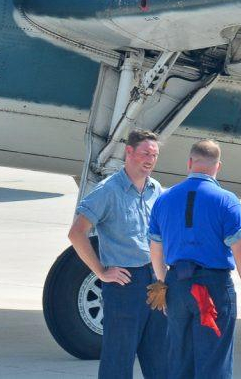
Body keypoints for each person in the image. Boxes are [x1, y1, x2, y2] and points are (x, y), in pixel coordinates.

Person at [146, 140, 241, 379]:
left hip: (176, 285)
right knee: (213, 363)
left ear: (189, 163)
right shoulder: (226, 200)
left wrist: (161, 285)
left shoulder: (163, 200)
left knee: (179, 360)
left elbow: (156, 249)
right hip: (213, 289)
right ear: (218, 166)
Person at [68, 130, 167, 379]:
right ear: (129, 152)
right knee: (118, 359)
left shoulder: (156, 190)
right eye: (145, 153)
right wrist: (101, 271)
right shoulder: (108, 191)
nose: (150, 160)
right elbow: (76, 233)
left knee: (161, 357)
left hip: (157, 281)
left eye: (154, 155)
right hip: (126, 283)